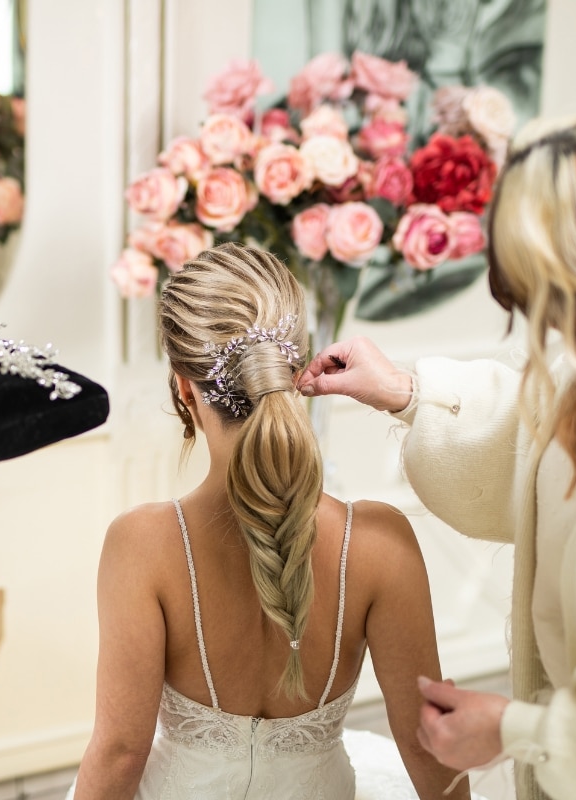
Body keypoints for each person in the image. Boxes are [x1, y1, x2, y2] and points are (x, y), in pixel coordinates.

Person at [297, 113, 576, 800]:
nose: (549, 334)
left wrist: (515, 730)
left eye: (554, 309)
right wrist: (407, 392)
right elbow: (535, 443)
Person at [71, 243, 469, 799]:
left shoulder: (141, 546)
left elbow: (119, 755)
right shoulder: (380, 542)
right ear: (297, 372)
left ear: (184, 387)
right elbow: (430, 744)